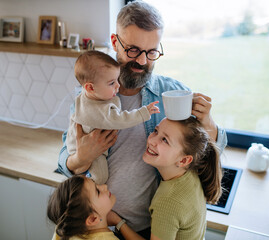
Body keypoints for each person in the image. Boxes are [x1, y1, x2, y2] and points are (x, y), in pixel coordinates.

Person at [58, 1, 228, 237]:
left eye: (151, 52)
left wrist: (208, 122)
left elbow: (211, 149)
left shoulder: (170, 94)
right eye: (134, 50)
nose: (142, 61)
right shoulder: (88, 98)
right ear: (115, 42)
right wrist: (80, 159)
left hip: (150, 229)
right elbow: (64, 163)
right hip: (96, 227)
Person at [108, 117, 223, 240]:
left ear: (184, 160)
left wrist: (118, 222)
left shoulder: (167, 203)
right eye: (156, 131)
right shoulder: (191, 173)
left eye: (165, 140)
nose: (152, 140)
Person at [66, 50, 160, 184]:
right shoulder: (98, 110)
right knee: (101, 177)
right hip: (88, 152)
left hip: (81, 148)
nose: (118, 85)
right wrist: (143, 112)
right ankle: (94, 188)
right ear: (90, 88)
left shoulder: (88, 95)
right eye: (111, 83)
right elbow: (119, 119)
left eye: (117, 79)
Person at [47, 175, 119, 240]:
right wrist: (119, 222)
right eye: (98, 192)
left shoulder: (63, 227)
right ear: (92, 219)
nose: (104, 186)